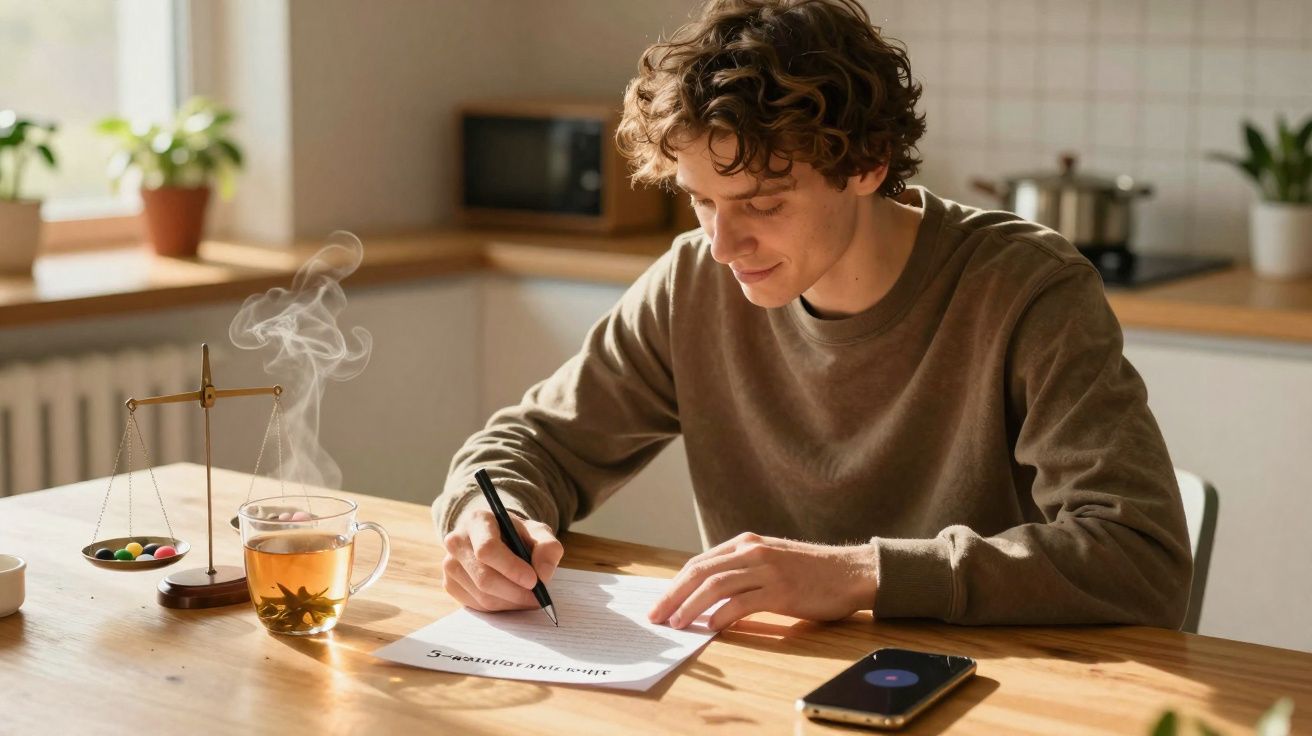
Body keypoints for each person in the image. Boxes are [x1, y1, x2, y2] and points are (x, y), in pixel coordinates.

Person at [433, 0, 1192, 632]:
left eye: (763, 203)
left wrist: (863, 573)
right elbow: (528, 445)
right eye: (701, 200)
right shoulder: (694, 280)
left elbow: (1139, 557)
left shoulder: (1027, 289)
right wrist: (486, 517)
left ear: (866, 163)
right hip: (768, 690)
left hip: (985, 692)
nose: (723, 244)